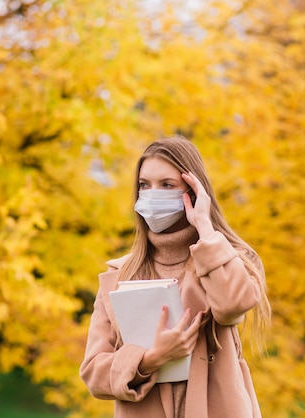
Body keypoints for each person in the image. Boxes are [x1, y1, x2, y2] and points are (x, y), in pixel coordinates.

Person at [79, 135, 271, 417]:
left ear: (193, 192)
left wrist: (205, 226)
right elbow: (94, 372)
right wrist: (151, 359)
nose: (153, 194)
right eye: (145, 185)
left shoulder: (229, 259)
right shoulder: (119, 275)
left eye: (167, 185)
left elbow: (233, 305)